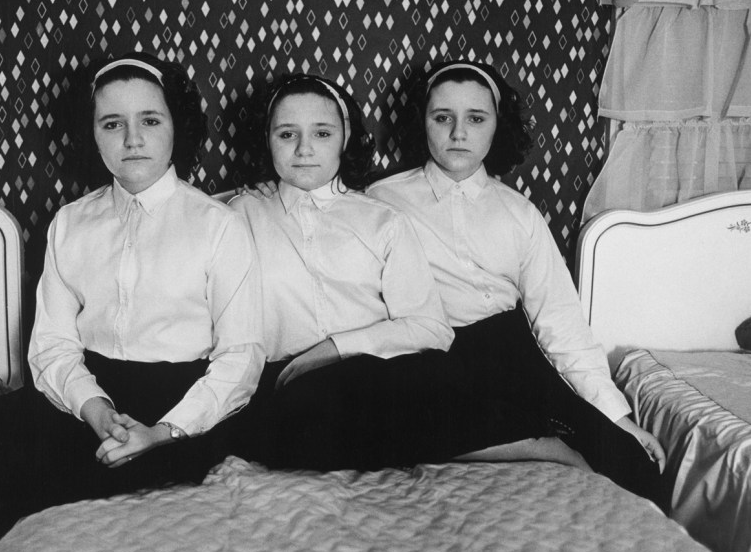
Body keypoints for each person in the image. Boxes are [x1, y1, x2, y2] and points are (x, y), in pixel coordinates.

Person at [225, 73, 580, 473]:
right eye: (287, 134)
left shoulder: (382, 218)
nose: (305, 149)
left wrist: (332, 349)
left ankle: (535, 440)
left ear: (344, 138)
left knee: (426, 377)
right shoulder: (238, 216)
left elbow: (432, 327)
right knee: (293, 418)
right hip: (286, 386)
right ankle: (515, 441)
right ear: (267, 139)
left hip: (377, 375)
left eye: (322, 133)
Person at [367, 60, 669, 508]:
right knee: (362, 423)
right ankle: (534, 445)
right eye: (442, 117)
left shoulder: (518, 212)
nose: (458, 133)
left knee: (635, 468)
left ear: (496, 127)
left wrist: (619, 418)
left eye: (476, 118)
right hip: (426, 361)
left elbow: (560, 323)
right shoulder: (381, 200)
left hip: (507, 357)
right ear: (422, 123)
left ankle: (545, 437)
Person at [0, 52, 264, 530]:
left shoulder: (219, 226)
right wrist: (96, 411)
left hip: (181, 404)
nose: (132, 140)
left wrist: (160, 433)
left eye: (150, 120)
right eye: (112, 123)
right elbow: (52, 344)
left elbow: (242, 355)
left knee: (158, 515)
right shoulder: (71, 223)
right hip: (88, 398)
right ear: (91, 134)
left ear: (177, 126)